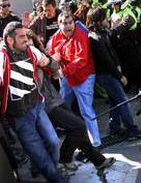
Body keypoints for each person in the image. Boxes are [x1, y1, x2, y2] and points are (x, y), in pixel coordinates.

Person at [26, 30, 116, 174]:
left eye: (30, 40)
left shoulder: (40, 55)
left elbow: (55, 69)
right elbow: (36, 84)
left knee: (78, 128)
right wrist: (42, 66)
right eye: (25, 41)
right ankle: (65, 159)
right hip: (45, 105)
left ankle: (98, 161)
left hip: (55, 99)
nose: (28, 44)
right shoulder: (26, 61)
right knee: (78, 126)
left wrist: (49, 62)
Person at [0, 22, 65, 182]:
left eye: (26, 36)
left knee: (54, 142)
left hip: (37, 106)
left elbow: (48, 61)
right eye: (21, 37)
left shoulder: (31, 50)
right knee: (40, 154)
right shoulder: (2, 58)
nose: (27, 40)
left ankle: (46, 169)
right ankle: (56, 178)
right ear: (9, 40)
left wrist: (56, 69)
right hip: (19, 116)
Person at [87, 7, 141, 140]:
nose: (107, 20)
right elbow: (107, 60)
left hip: (110, 74)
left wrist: (124, 24)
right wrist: (120, 76)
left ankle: (114, 128)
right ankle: (131, 130)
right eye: (104, 18)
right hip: (106, 75)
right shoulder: (94, 38)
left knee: (115, 101)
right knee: (122, 101)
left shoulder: (102, 33)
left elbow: (113, 36)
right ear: (97, 21)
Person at [47, 11, 101, 148]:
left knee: (86, 110)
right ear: (58, 25)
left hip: (84, 77)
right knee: (61, 105)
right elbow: (51, 54)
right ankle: (68, 132)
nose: (68, 26)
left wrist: (61, 71)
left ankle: (96, 142)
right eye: (64, 23)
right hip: (67, 78)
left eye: (70, 22)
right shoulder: (56, 37)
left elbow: (81, 60)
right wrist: (54, 62)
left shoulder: (80, 35)